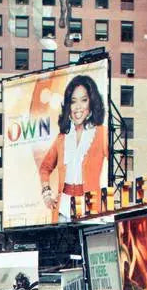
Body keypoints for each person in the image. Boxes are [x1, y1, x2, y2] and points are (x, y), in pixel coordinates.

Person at [39, 73, 108, 217]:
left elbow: (117, 162)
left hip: (91, 211)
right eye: (73, 101)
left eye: (84, 100)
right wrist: (46, 193)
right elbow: (45, 167)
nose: (78, 107)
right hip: (63, 210)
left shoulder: (101, 133)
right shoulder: (62, 138)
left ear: (92, 102)